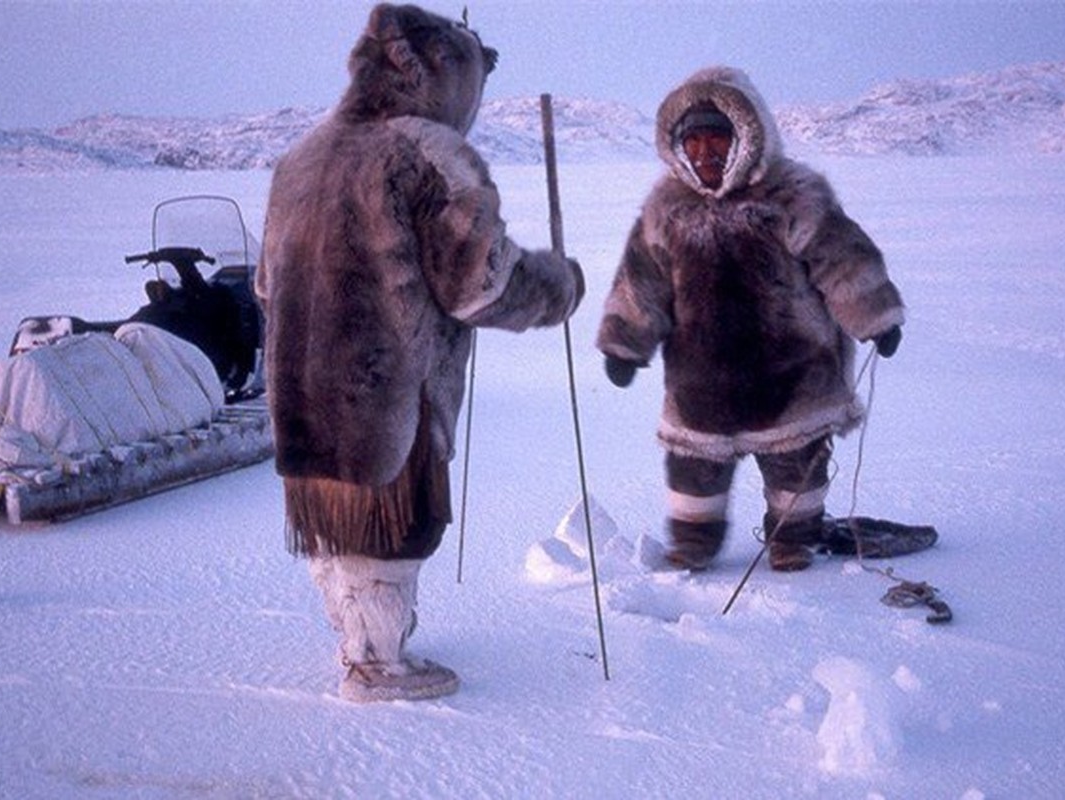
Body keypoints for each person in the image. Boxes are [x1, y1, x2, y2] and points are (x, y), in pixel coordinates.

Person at [256, 3, 584, 703]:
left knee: (332, 525)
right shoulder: (429, 153)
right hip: (389, 395)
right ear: (449, 80)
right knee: (391, 529)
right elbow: (478, 285)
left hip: (300, 389)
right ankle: (377, 665)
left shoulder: (301, 156)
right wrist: (555, 287)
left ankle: (358, 641)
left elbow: (264, 284)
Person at [596, 66, 904, 573]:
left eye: (716, 142)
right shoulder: (667, 209)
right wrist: (624, 343)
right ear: (676, 147)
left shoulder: (791, 195)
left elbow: (843, 259)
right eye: (692, 145)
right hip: (700, 378)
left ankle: (792, 539)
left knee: (797, 467)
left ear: (745, 136)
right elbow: (640, 281)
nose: (704, 157)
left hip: (790, 373)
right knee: (693, 470)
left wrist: (876, 317)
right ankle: (693, 544)